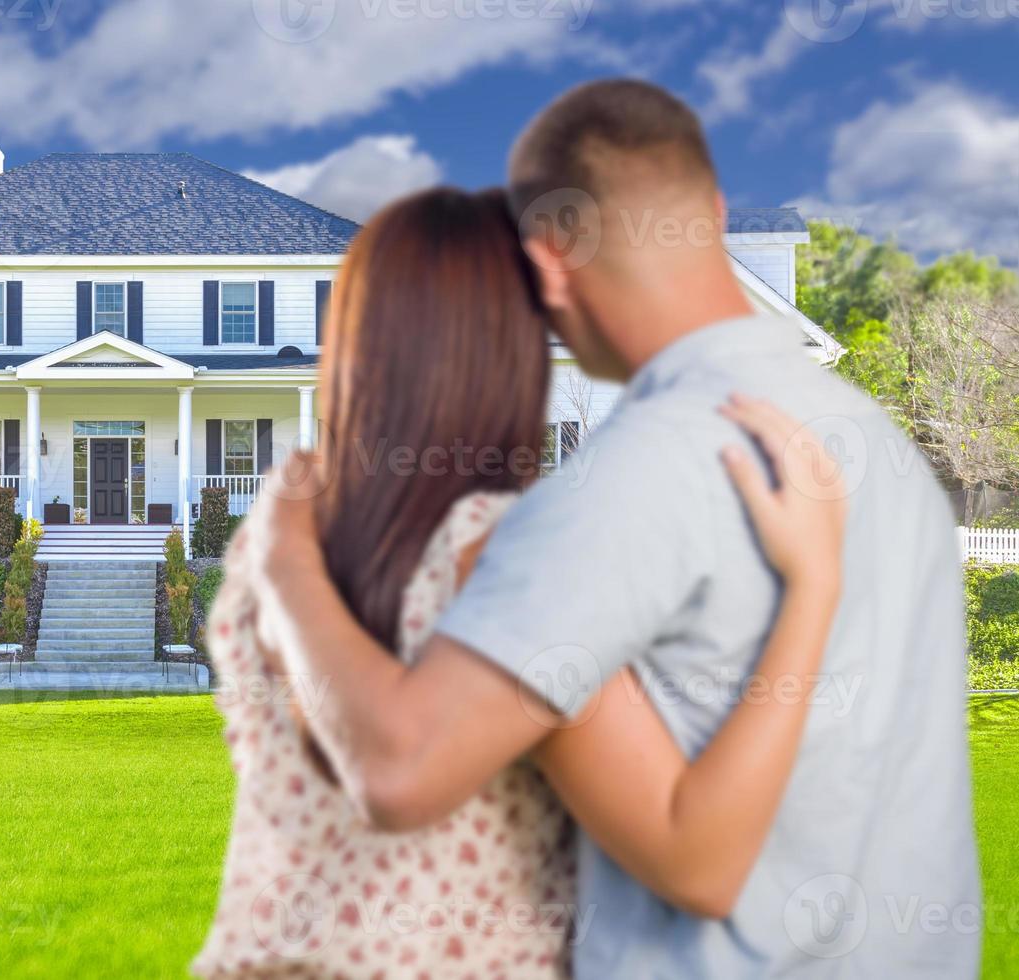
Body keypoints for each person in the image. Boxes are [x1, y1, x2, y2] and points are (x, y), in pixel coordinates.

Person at [232, 79, 981, 978]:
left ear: (550, 259)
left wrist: (282, 561)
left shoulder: (629, 481)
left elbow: (401, 769)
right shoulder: (876, 448)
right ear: (706, 210)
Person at [194, 185, 849, 978]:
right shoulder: (502, 554)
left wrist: (283, 561)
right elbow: (697, 862)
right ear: (510, 347)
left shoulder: (275, 546)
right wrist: (812, 582)